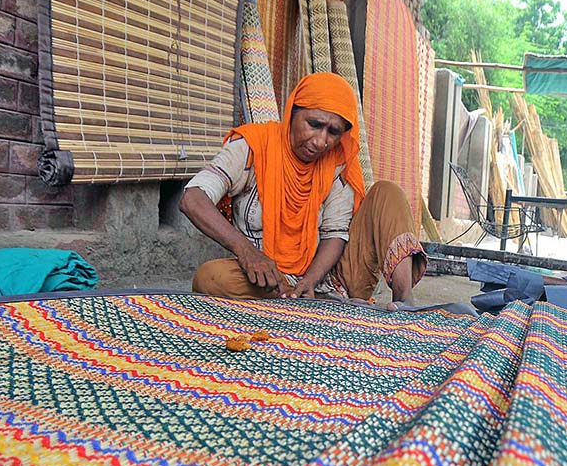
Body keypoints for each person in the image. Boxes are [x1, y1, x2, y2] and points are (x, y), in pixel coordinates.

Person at [179, 72, 427, 308]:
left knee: (388, 193)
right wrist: (247, 252)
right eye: (314, 124)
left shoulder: (336, 162)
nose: (321, 141)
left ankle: (404, 303)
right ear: (293, 111)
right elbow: (193, 199)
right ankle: (307, 305)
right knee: (209, 278)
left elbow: (335, 234)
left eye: (333, 132)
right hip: (268, 280)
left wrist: (311, 280)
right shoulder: (252, 147)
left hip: (331, 282)